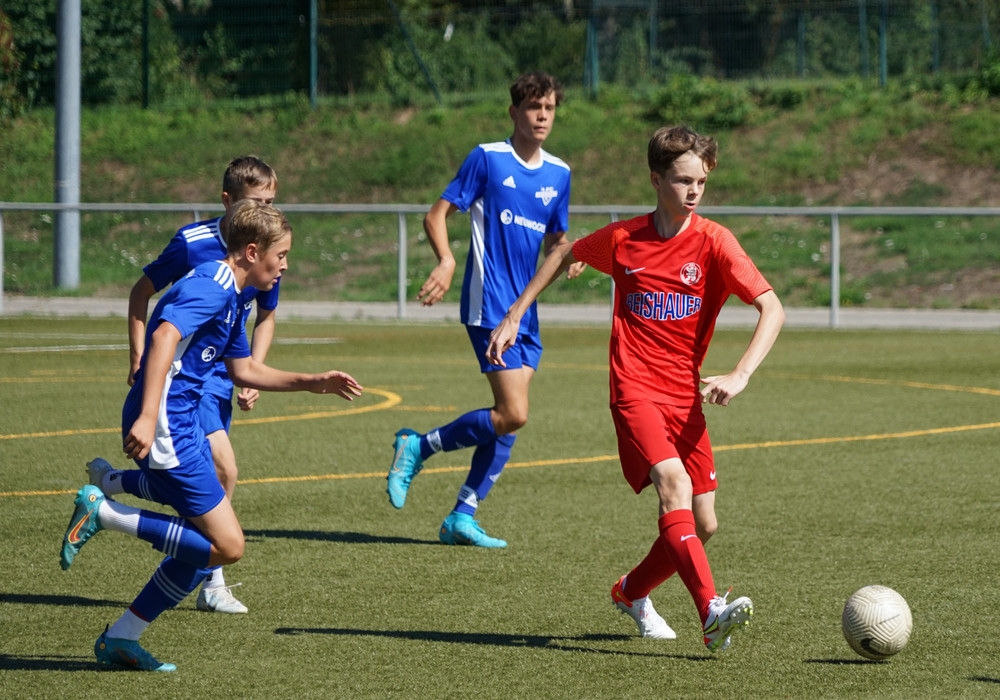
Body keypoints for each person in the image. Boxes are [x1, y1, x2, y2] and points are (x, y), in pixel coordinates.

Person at [486, 125, 785, 652]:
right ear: (655, 179)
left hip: (684, 398)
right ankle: (711, 613)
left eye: (702, 182)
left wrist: (740, 373)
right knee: (674, 484)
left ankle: (631, 592)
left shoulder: (715, 242)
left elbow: (772, 306)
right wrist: (515, 314)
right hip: (634, 389)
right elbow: (563, 252)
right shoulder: (625, 239)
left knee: (704, 522)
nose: (694, 191)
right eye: (682, 180)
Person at [60, 200, 364, 672]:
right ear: (249, 251)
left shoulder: (236, 296)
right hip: (166, 425)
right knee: (228, 545)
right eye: (279, 255)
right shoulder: (214, 286)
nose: (285, 265)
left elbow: (244, 369)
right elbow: (163, 337)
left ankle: (122, 637)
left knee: (199, 547)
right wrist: (145, 416)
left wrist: (312, 382)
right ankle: (105, 512)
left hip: (179, 425)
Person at [386, 71, 584, 548]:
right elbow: (437, 214)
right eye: (533, 106)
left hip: (525, 309)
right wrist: (447, 259)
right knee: (514, 412)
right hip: (488, 303)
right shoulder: (488, 159)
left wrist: (568, 255)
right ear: (514, 111)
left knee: (509, 415)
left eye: (550, 108)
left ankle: (462, 514)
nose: (542, 115)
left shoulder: (560, 174)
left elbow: (556, 238)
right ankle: (417, 446)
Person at [92, 155, 279, 615]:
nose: (267, 211)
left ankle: (116, 486)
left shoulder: (268, 248)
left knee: (202, 476)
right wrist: (140, 353)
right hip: (182, 380)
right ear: (228, 202)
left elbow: (263, 315)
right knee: (223, 472)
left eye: (272, 202)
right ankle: (211, 576)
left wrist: (252, 369)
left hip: (217, 378)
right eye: (258, 202)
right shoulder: (196, 246)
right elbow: (145, 296)